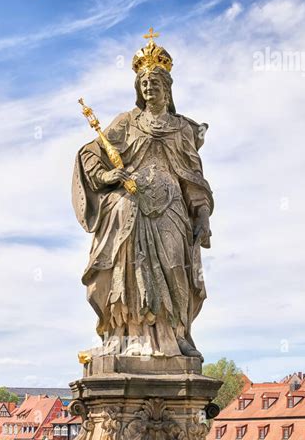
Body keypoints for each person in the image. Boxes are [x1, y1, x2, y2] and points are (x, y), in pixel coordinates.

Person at [72, 32, 214, 358]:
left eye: (155, 83)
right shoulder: (126, 122)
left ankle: (174, 337)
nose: (149, 88)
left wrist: (202, 214)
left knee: (176, 270)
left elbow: (194, 178)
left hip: (172, 208)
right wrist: (109, 175)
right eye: (144, 84)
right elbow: (90, 154)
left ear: (167, 88)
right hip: (131, 206)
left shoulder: (182, 129)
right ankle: (127, 338)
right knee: (130, 273)